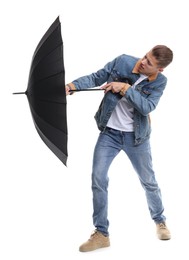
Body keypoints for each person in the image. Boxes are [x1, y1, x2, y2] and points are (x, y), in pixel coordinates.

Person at [65, 45, 173, 252]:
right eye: (145, 56)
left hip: (137, 138)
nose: (143, 62)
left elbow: (147, 106)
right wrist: (72, 85)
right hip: (110, 134)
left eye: (149, 63)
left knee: (148, 180)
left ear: (159, 70)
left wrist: (124, 88)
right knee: (98, 178)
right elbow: (97, 77)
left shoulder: (160, 82)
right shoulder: (123, 61)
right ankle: (101, 233)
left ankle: (160, 221)